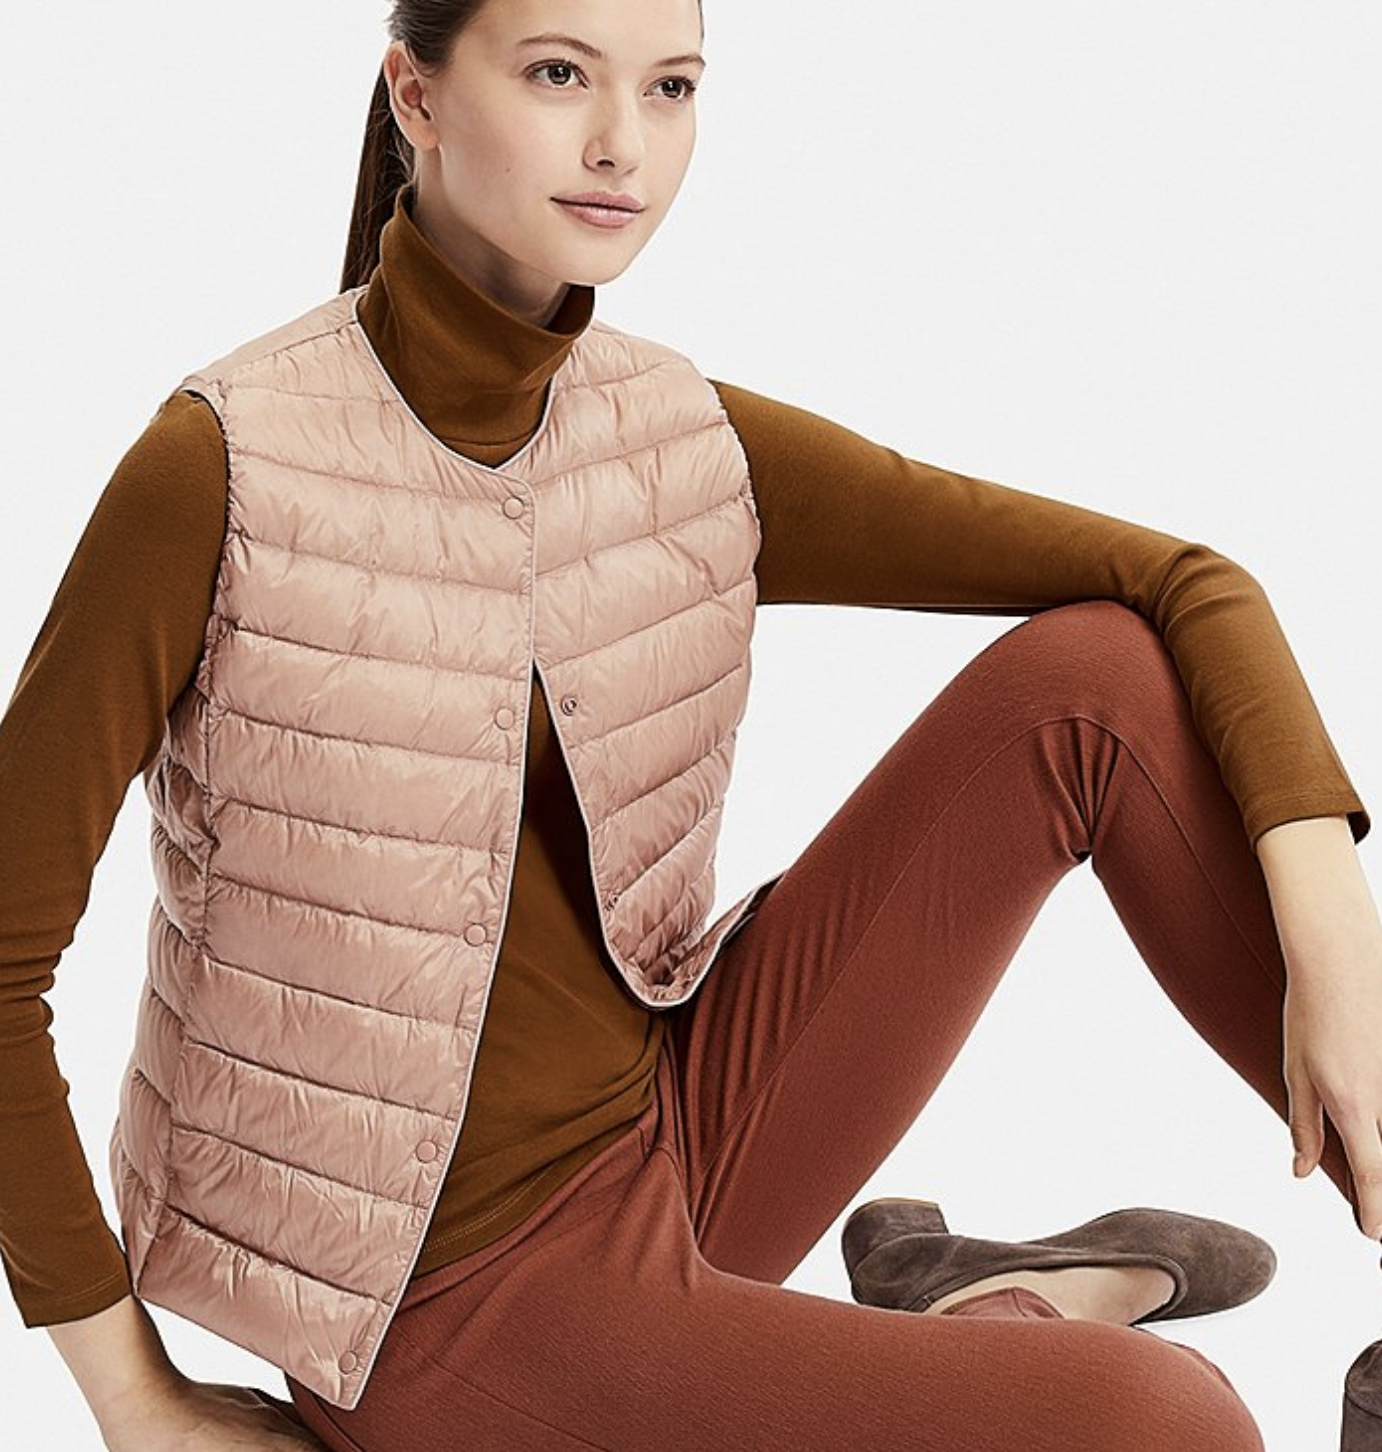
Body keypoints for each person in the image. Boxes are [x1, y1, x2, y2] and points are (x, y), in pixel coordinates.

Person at [2, 1, 1380, 1448]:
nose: (622, 144)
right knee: (1166, 1425)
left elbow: (1182, 583)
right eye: (558, 74)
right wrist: (135, 1399)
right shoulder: (225, 470)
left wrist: (1333, 939)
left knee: (1093, 683)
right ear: (415, 93)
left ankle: (1005, 1317)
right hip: (438, 1313)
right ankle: (999, 1331)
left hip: (681, 1137)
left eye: (669, 88)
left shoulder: (673, 438)